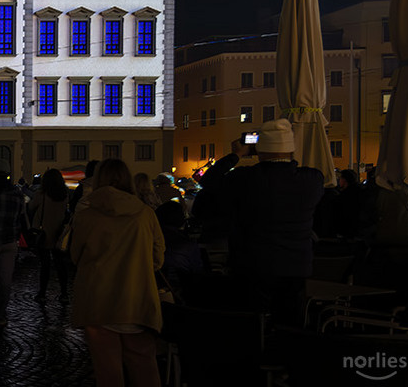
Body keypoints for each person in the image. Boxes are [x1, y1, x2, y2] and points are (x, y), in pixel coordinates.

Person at [190, 118, 323, 321]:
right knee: (289, 323)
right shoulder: (312, 180)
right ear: (290, 148)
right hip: (296, 267)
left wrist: (236, 155)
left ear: (260, 150)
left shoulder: (244, 178)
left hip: (252, 265)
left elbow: (208, 181)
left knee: (253, 323)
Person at [70, 158, 164, 387]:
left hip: (98, 302)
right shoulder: (145, 214)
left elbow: (76, 257)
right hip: (137, 300)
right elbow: (157, 259)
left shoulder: (85, 215)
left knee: (108, 373)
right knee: (145, 370)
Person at [0, 170, 24, 327]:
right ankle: (0, 315)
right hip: (10, 241)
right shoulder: (17, 193)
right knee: (5, 281)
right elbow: (21, 213)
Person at [30, 168, 71, 301]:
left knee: (45, 265)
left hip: (43, 233)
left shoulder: (41, 194)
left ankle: (42, 293)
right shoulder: (64, 194)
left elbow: (31, 208)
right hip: (58, 233)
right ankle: (64, 293)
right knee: (61, 266)